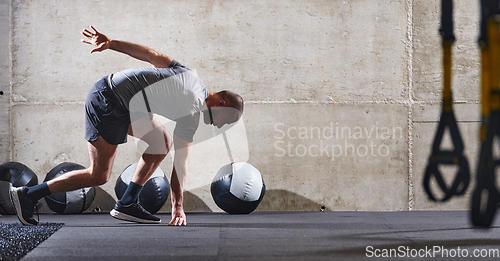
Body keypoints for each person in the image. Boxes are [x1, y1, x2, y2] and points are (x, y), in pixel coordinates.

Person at [10, 26, 244, 226]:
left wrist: (111, 43)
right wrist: (178, 208)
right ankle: (28, 195)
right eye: (226, 119)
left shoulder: (191, 76)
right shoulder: (192, 110)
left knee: (161, 143)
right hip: (108, 101)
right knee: (99, 175)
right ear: (221, 104)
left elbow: (151, 54)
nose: (221, 125)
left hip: (125, 103)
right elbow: (180, 166)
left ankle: (128, 202)